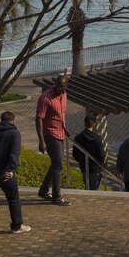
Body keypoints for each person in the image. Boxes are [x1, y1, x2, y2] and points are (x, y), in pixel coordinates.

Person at [36, 75, 72, 205]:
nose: (59, 88)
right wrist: (41, 141)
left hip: (60, 133)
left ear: (66, 87)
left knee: (56, 163)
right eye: (58, 85)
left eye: (62, 87)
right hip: (50, 134)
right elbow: (39, 118)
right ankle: (56, 197)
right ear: (55, 83)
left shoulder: (64, 95)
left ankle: (44, 190)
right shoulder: (45, 98)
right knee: (58, 165)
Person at [71, 114, 106, 191]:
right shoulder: (97, 138)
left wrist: (80, 160)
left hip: (83, 166)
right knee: (94, 188)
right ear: (94, 125)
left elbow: (75, 155)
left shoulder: (77, 138)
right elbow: (101, 156)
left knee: (87, 186)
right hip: (95, 167)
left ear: (85, 123)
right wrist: (102, 164)